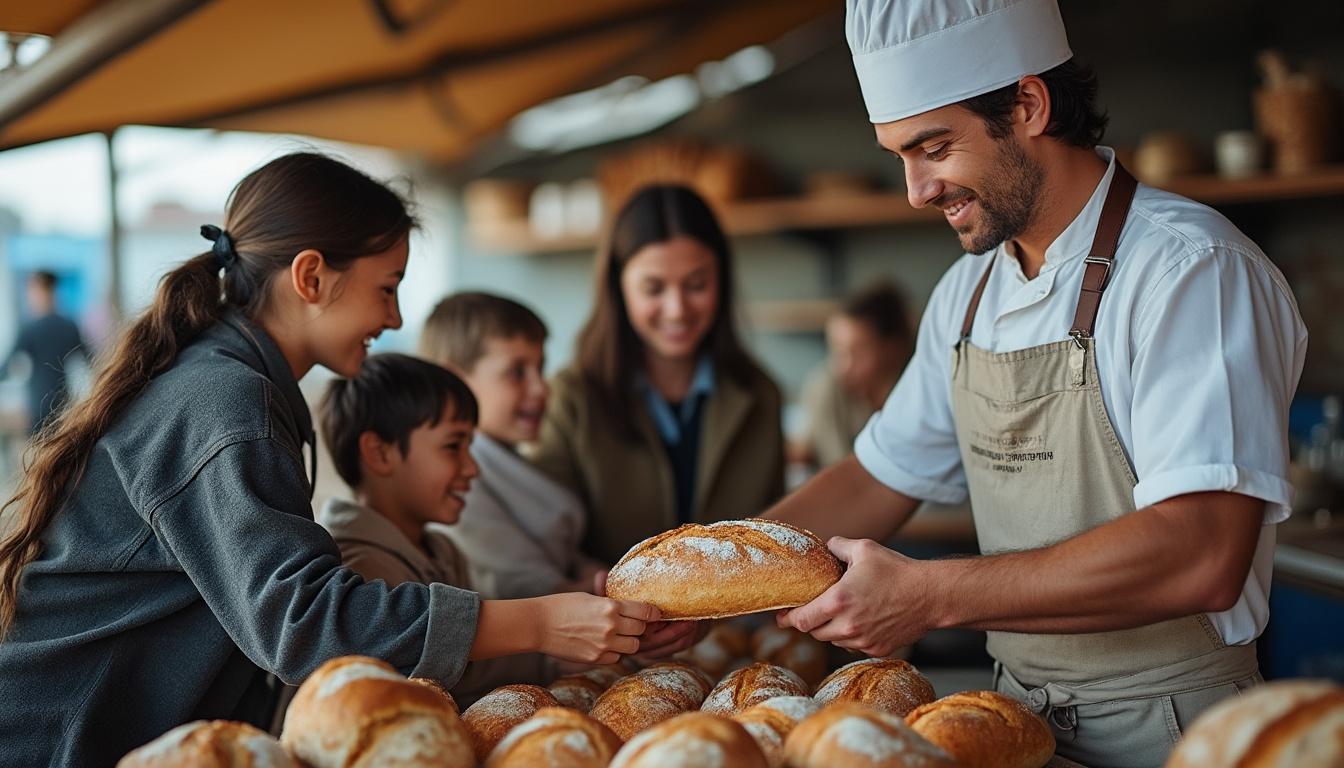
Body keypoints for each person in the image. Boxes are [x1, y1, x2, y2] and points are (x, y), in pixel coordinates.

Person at [0, 153, 677, 767]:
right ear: (312, 277)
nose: (394, 315)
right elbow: (303, 620)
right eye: (387, 287)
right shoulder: (223, 402)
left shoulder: (234, 386)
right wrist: (533, 622)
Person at [766, 1, 1308, 765]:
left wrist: (931, 593)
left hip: (1174, 729)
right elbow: (877, 475)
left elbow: (1202, 552)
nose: (917, 190)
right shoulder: (969, 292)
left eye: (933, 148)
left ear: (1028, 105)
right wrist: (730, 575)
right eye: (899, 157)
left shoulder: (1190, 272)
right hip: (1013, 722)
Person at [530, 184, 785, 565]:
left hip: (736, 622)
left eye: (697, 285)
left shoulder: (759, 394)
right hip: (609, 618)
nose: (677, 309)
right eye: (653, 288)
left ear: (722, 281)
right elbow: (547, 545)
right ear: (619, 288)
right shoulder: (571, 398)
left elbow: (773, 537)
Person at [317, 352, 558, 704]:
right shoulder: (358, 568)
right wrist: (552, 645)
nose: (472, 468)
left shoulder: (444, 551)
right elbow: (443, 679)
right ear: (380, 453)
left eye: (470, 447)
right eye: (452, 446)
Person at [419, 292, 604, 599]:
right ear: (453, 381)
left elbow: (565, 559)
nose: (541, 388)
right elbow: (531, 592)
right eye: (517, 372)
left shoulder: (511, 458)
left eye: (540, 368)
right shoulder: (458, 478)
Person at [789, 280, 912, 470]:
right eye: (837, 351)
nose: (843, 366)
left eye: (859, 352)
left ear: (893, 347)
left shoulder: (918, 388)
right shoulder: (826, 386)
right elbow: (838, 467)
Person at [1, 270, 89, 435]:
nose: (30, 297)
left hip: (37, 407)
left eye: (32, 291)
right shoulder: (69, 326)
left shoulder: (30, 328)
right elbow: (91, 361)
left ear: (43, 291)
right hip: (63, 405)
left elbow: (6, 366)